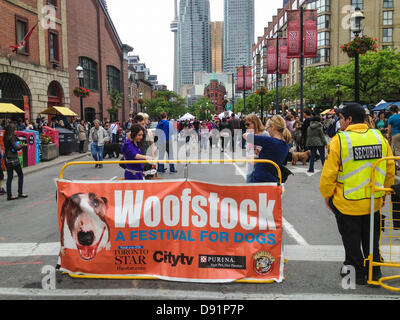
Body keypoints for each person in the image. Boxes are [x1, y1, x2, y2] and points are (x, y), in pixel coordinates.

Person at [319, 103, 395, 285]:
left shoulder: (340, 140)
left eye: (342, 118)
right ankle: (374, 271)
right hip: (374, 200)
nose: (340, 122)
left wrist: (327, 195)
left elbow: (329, 174)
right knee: (371, 238)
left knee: (351, 240)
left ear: (349, 119)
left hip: (348, 201)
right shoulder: (379, 137)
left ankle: (356, 274)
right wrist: (384, 192)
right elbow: (390, 168)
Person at [243, 115, 291, 183]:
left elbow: (245, 135)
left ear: (272, 127)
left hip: (261, 179)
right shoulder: (285, 145)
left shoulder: (269, 141)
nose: (267, 130)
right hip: (274, 179)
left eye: (268, 128)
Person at [3, 123, 28, 200]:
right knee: (20, 174)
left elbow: (16, 141)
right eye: (15, 129)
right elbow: (16, 147)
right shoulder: (11, 138)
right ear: (12, 130)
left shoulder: (5, 137)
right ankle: (20, 193)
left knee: (9, 177)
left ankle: (9, 195)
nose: (16, 131)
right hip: (13, 159)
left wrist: (19, 140)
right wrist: (23, 145)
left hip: (7, 158)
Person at [244, 114, 269, 182]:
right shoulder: (249, 133)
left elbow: (269, 150)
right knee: (249, 188)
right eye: (245, 125)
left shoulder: (264, 134)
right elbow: (248, 149)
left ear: (255, 123)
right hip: (250, 166)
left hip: (261, 166)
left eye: (248, 124)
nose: (246, 126)